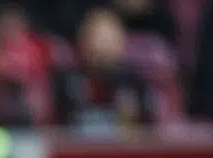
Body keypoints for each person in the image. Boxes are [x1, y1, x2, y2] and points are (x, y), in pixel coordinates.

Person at [51, 8, 154, 136]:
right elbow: (55, 132)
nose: (100, 47)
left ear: (121, 43)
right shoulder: (65, 82)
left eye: (107, 40)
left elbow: (149, 134)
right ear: (81, 42)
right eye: (94, 38)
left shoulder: (135, 83)